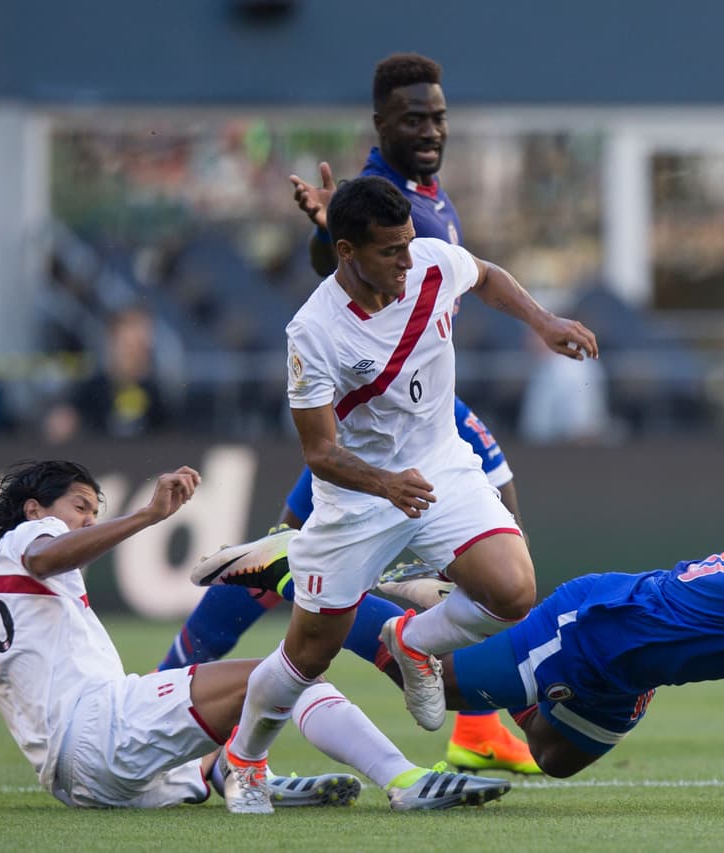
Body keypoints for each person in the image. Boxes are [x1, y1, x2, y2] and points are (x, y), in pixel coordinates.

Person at [162, 51, 538, 775]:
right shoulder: (388, 204)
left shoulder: (424, 195)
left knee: (503, 545)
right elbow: (342, 288)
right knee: (308, 617)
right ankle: (179, 687)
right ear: (381, 125)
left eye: (438, 117)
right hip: (370, 423)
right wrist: (318, 235)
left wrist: (545, 322)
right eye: (412, 119)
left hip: (426, 413)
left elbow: (466, 276)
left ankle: (460, 695)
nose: (429, 131)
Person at [214, 174, 597, 799]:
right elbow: (320, 452)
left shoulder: (431, 262)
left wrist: (543, 320)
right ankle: (246, 761)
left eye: (409, 242)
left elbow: (487, 275)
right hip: (360, 497)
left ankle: (410, 640)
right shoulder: (313, 333)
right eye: (389, 251)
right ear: (346, 252)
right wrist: (385, 484)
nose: (406, 259)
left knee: (513, 590)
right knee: (309, 653)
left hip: (440, 464)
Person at [209, 493, 724, 779]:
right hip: (589, 630)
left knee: (556, 759)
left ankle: (455, 609)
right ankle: (298, 567)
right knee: (451, 685)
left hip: (629, 677)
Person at [0, 459, 511, 813]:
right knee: (288, 670)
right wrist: (147, 516)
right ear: (35, 510)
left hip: (74, 785)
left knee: (246, 704)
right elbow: (45, 560)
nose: (88, 519)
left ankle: (237, 774)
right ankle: (404, 781)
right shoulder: (27, 540)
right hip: (100, 727)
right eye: (81, 506)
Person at [43, 306, 171, 444]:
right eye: (127, 345)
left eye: (143, 337)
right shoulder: (93, 388)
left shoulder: (156, 391)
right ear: (112, 342)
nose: (141, 343)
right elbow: (62, 423)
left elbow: (171, 436)